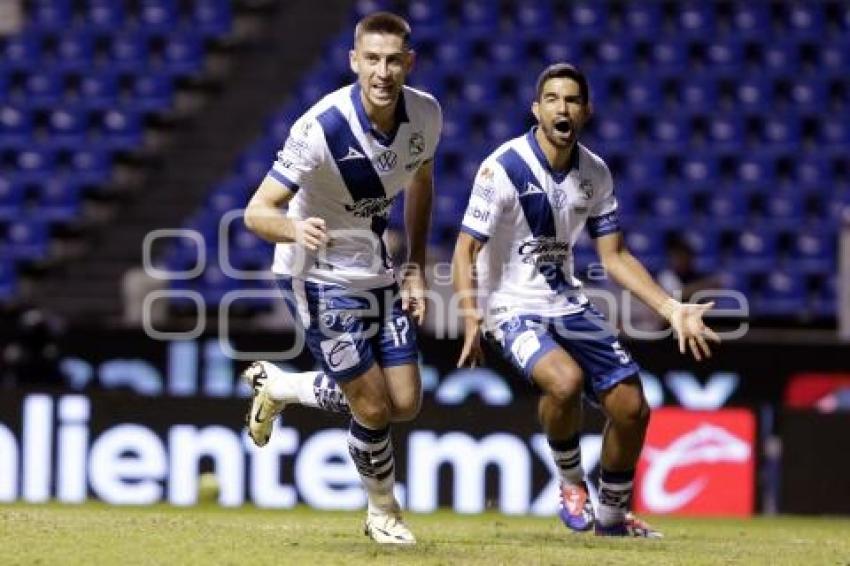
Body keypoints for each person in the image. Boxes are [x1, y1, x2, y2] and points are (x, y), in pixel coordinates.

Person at [451, 63, 719, 538]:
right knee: (565, 382)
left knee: (633, 408)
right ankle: (572, 485)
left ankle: (613, 517)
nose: (562, 107)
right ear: (536, 109)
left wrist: (671, 308)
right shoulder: (503, 167)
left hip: (567, 303)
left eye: (572, 100)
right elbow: (464, 249)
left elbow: (614, 258)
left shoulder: (595, 173)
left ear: (586, 111)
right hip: (510, 309)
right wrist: (472, 317)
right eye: (552, 98)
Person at [241, 12, 441, 545]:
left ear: (408, 63)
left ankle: (282, 386)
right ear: (354, 61)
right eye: (371, 59)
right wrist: (292, 228)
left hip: (377, 275)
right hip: (318, 277)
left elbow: (422, 183)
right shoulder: (320, 128)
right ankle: (384, 512)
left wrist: (416, 266)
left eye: (393, 60)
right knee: (372, 406)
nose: (382, 71)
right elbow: (255, 213)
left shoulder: (425, 115)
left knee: (405, 402)